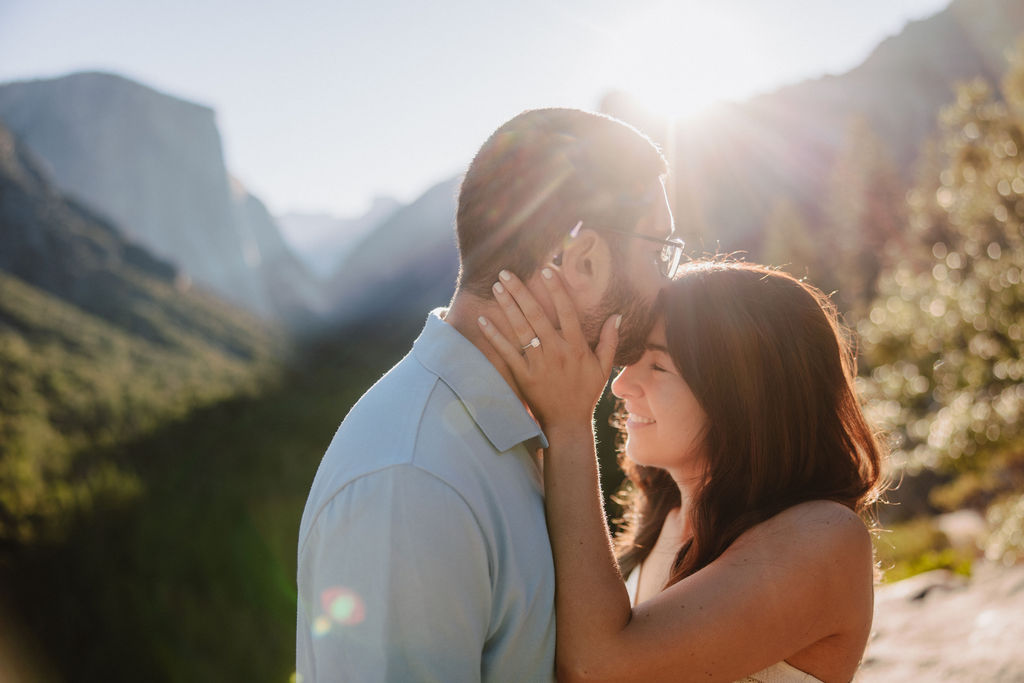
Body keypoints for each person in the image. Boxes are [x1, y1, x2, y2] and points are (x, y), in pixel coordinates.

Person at [296, 108, 684, 681]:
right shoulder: (413, 481)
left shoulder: (515, 430)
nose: (666, 283)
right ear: (579, 261)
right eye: (658, 253)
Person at [477, 259, 887, 683]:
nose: (620, 385)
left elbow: (596, 667)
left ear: (745, 397)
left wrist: (567, 426)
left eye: (657, 366)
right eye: (631, 359)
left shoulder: (825, 538)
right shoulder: (665, 516)